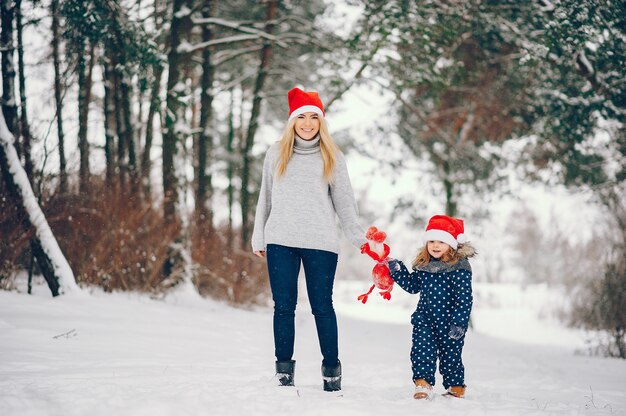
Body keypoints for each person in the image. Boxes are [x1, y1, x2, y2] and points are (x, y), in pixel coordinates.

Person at [251, 87, 365, 392]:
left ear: (321, 121)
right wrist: (258, 235)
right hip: (280, 239)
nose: (307, 123)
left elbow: (345, 201)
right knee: (283, 306)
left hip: (321, 242)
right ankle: (283, 371)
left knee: (321, 306)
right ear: (292, 121)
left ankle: (331, 371)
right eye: (301, 116)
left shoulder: (332, 155)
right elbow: (266, 196)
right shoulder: (276, 152)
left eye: (314, 117)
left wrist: (360, 238)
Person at [387, 215, 475, 400]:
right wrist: (397, 269)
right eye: (431, 241)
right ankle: (423, 384)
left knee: (451, 356)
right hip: (425, 319)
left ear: (451, 244)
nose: (435, 245)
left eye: (441, 241)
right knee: (422, 350)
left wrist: (459, 323)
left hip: (451, 322)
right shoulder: (424, 265)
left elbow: (464, 299)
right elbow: (413, 286)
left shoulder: (459, 267)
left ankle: (455, 387)